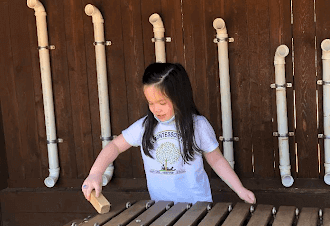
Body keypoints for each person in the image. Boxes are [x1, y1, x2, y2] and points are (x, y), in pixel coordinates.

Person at [82, 62, 255, 205]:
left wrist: (239, 189)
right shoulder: (144, 126)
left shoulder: (198, 125)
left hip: (197, 207)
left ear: (179, 97)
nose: (156, 109)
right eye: (151, 103)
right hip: (161, 209)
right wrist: (95, 173)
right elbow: (115, 145)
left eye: (162, 102)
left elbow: (216, 160)